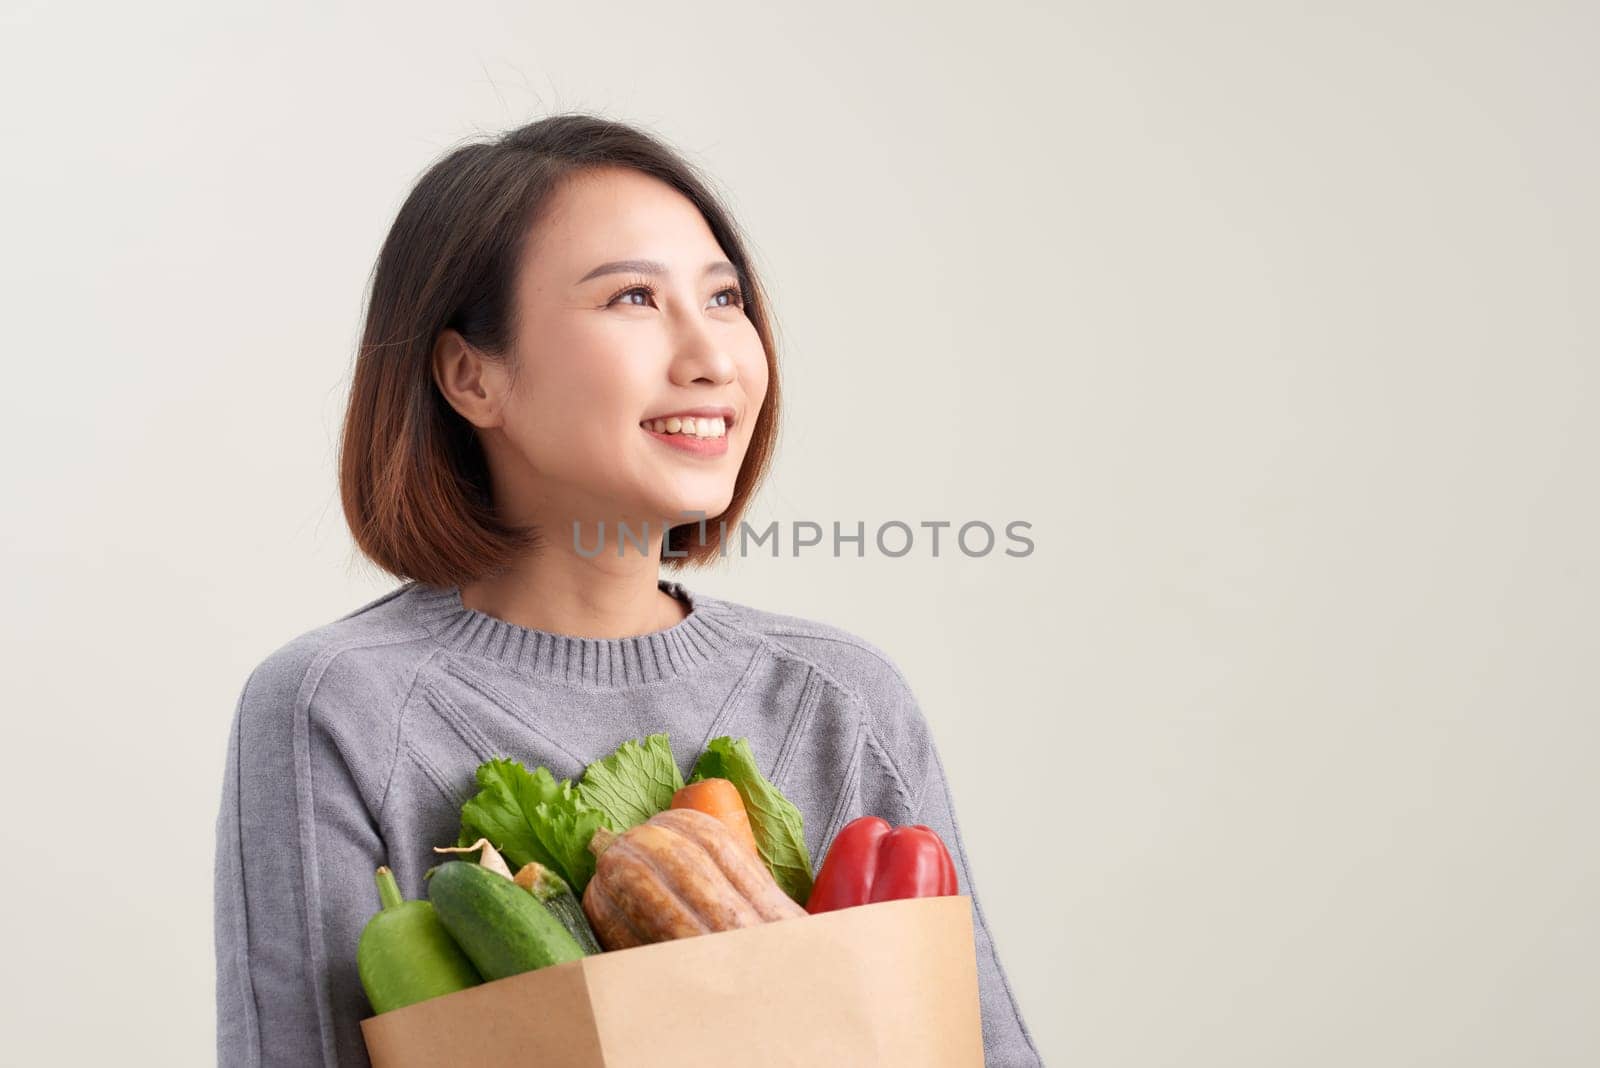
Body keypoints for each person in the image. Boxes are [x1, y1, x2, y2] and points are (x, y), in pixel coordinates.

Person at [212, 113, 1043, 1067]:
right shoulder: (338, 708)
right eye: (635, 299)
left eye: (726, 298)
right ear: (470, 376)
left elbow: (983, 1049)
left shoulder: (835, 696)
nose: (713, 358)